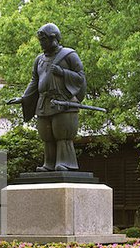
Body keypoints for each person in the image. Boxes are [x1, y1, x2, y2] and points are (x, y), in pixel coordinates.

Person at [7, 23, 87, 171]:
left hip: (63, 101)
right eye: (40, 40)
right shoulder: (39, 59)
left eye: (44, 40)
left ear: (53, 38)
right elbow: (34, 81)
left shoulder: (69, 55)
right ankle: (49, 163)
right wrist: (24, 98)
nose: (41, 43)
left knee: (62, 133)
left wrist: (63, 73)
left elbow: (81, 77)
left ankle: (65, 163)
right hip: (44, 102)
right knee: (46, 135)